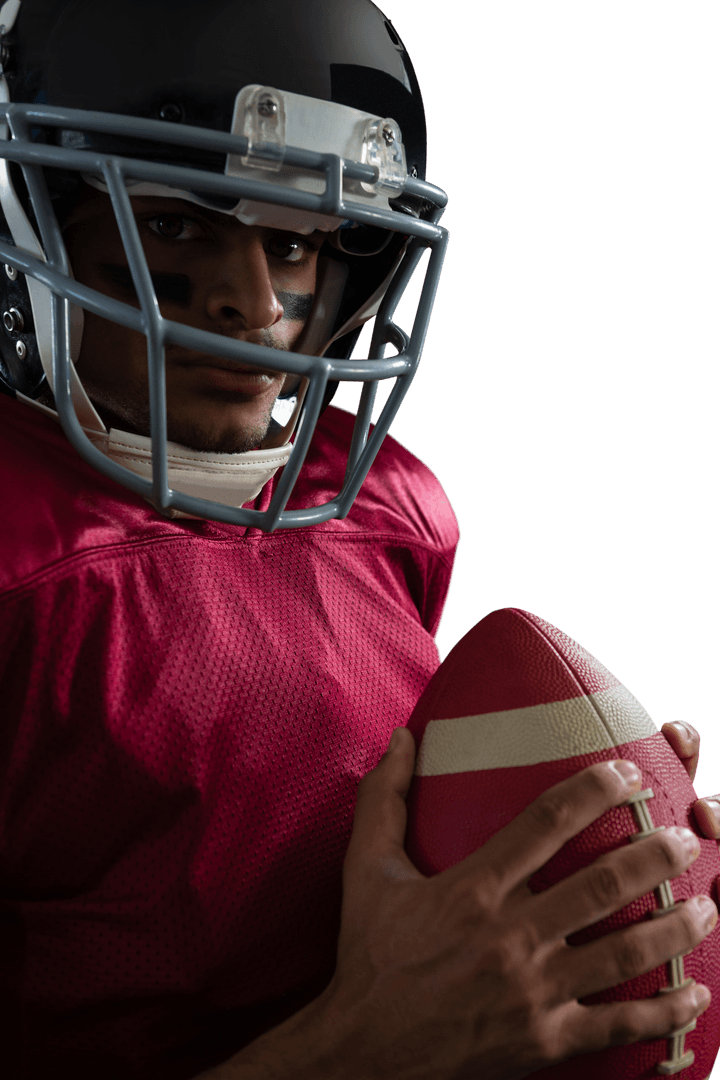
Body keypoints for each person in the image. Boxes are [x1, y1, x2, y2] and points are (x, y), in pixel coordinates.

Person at [0, 1, 717, 1078]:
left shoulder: (384, 503)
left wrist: (570, 844)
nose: (254, 303)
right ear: (28, 223)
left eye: (292, 241)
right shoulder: (22, 563)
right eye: (178, 226)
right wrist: (359, 1049)